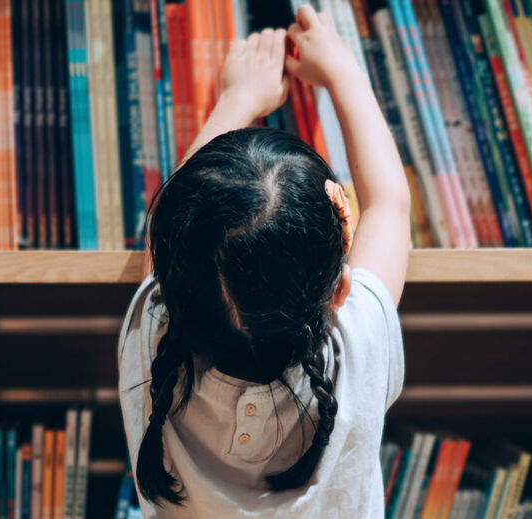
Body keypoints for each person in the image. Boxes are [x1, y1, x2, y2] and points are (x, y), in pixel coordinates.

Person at [117, 4, 411, 517]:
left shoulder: (152, 343)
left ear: (172, 284)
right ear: (337, 292)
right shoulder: (357, 348)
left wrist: (237, 99)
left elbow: (171, 225)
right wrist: (345, 74)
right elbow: (388, 204)